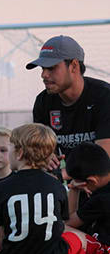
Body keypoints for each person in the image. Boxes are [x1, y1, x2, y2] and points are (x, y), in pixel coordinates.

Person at [0, 123, 86, 254]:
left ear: (19, 153)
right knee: (79, 240)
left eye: (9, 148)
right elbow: (61, 225)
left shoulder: (1, 187)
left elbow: (1, 235)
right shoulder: (57, 186)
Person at [26, 35, 110, 174]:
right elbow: (41, 153)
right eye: (42, 68)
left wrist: (63, 174)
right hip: (75, 184)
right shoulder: (43, 102)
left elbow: (103, 159)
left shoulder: (104, 97)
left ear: (74, 66)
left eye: (51, 68)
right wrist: (46, 158)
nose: (44, 74)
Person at [65, 142, 110, 254]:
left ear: (91, 181)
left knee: (60, 229)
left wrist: (73, 189)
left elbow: (69, 222)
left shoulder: (102, 199)